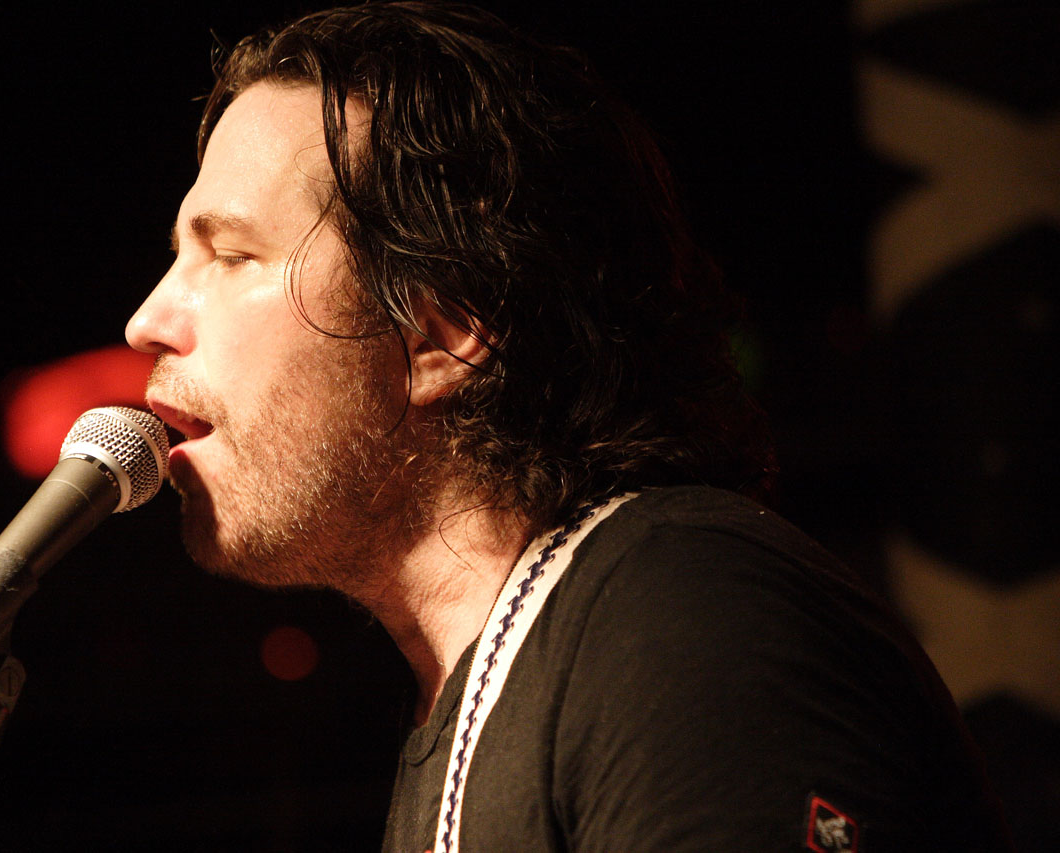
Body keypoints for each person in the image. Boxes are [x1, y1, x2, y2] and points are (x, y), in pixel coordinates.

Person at [124, 2, 1010, 850]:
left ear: (441, 332)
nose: (148, 320)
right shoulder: (485, 688)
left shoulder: (681, 621)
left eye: (231, 254)